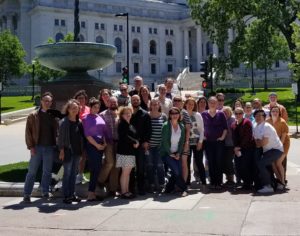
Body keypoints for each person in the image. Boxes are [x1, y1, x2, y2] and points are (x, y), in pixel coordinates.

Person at [23, 92, 58, 203]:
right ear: (41, 102)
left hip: (49, 147)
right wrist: (31, 147)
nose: (47, 103)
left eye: (49, 101)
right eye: (45, 101)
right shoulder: (33, 116)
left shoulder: (52, 115)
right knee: (32, 171)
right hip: (37, 147)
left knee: (47, 172)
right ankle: (27, 194)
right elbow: (28, 132)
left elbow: (57, 131)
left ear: (51, 103)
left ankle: (45, 191)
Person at [82, 98, 108, 201]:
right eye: (94, 107)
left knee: (97, 169)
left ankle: (92, 193)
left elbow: (103, 130)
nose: (96, 109)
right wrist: (97, 145)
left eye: (98, 107)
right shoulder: (86, 118)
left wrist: (104, 142)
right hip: (92, 146)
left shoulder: (99, 117)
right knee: (94, 169)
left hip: (101, 145)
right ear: (90, 107)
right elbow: (87, 135)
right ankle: (90, 193)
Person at [57, 99, 83, 204]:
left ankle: (72, 194)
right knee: (67, 174)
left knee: (74, 174)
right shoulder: (64, 122)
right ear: (68, 109)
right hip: (68, 151)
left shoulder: (79, 122)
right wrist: (61, 151)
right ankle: (66, 195)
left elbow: (81, 137)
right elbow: (60, 138)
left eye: (76, 108)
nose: (74, 110)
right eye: (72, 108)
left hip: (77, 152)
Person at [253, 109, 283, 193]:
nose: (258, 117)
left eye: (261, 115)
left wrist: (260, 142)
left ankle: (268, 186)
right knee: (265, 165)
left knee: (261, 164)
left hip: (276, 150)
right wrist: (260, 142)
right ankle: (277, 184)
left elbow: (263, 142)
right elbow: (257, 142)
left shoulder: (266, 126)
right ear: (254, 117)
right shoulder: (255, 126)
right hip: (267, 151)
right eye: (256, 115)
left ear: (264, 117)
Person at [160, 107, 187, 197]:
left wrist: (179, 153)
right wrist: (170, 153)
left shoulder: (182, 126)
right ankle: (184, 189)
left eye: (176, 113)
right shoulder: (166, 125)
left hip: (176, 153)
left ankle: (168, 189)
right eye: (172, 113)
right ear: (170, 115)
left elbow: (182, 142)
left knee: (177, 171)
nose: (175, 115)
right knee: (177, 172)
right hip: (167, 153)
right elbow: (164, 141)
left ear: (179, 115)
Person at [202, 96, 227, 189]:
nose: (212, 104)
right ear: (208, 104)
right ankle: (213, 182)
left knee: (219, 161)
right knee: (210, 162)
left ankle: (219, 182)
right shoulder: (203, 114)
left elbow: (225, 128)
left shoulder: (221, 114)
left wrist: (222, 137)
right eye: (211, 102)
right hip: (208, 142)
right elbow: (201, 127)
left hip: (219, 142)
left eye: (214, 102)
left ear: (217, 104)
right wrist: (203, 136)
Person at [130, 95, 152, 195]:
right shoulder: (128, 113)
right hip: (129, 144)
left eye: (137, 100)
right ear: (131, 101)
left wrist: (146, 141)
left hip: (141, 145)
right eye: (133, 100)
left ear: (140, 101)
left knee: (141, 168)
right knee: (130, 168)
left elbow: (149, 130)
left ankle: (141, 188)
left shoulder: (145, 114)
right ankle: (131, 188)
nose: (135, 101)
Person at [116, 106, 139, 199]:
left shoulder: (130, 125)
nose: (128, 114)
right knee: (125, 172)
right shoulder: (122, 124)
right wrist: (135, 142)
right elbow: (125, 136)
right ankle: (123, 192)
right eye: (126, 113)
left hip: (130, 151)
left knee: (127, 173)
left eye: (129, 113)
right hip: (124, 151)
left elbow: (135, 135)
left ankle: (126, 191)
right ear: (121, 115)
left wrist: (137, 141)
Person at [98, 97, 120, 196]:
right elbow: (99, 130)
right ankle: (100, 180)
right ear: (107, 103)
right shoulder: (102, 115)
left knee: (117, 166)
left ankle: (113, 189)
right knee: (110, 163)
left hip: (118, 142)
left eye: (114, 102)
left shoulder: (120, 113)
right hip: (107, 142)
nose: (113, 104)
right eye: (111, 102)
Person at [231, 107, 256, 190]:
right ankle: (244, 182)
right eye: (236, 113)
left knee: (246, 166)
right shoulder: (233, 124)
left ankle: (248, 184)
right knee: (238, 166)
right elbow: (233, 138)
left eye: (240, 113)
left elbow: (247, 137)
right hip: (238, 149)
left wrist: (239, 147)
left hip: (248, 148)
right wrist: (235, 148)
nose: (238, 115)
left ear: (243, 114)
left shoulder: (247, 122)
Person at [184, 98, 206, 188]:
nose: (190, 105)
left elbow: (202, 130)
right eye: (189, 104)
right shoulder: (182, 114)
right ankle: (187, 183)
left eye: (192, 104)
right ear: (185, 104)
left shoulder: (197, 115)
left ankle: (204, 182)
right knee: (187, 163)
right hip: (187, 143)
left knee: (199, 162)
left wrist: (200, 142)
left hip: (197, 142)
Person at [266, 106, 290, 189]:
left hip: (283, 144)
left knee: (278, 162)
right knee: (272, 163)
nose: (275, 113)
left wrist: (279, 148)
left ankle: (282, 182)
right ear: (270, 112)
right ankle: (279, 181)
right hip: (272, 144)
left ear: (279, 112)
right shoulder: (267, 121)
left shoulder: (282, 122)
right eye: (273, 111)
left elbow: (283, 137)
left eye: (276, 111)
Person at [146, 99, 167, 192]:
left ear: (159, 105)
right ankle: (151, 184)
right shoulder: (146, 116)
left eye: (156, 104)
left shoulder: (164, 116)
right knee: (150, 165)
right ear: (150, 106)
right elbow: (143, 130)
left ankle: (162, 184)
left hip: (160, 146)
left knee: (159, 165)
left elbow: (167, 131)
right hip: (149, 146)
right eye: (152, 104)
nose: (154, 106)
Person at [172, 95, 191, 184]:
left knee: (184, 164)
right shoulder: (171, 112)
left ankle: (183, 185)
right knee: (175, 165)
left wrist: (187, 142)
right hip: (173, 144)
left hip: (183, 143)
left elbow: (188, 128)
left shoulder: (185, 113)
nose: (176, 101)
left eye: (179, 100)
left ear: (182, 102)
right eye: (175, 100)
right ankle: (176, 184)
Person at [73, 90, 90, 184]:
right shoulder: (74, 109)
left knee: (84, 156)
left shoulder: (88, 109)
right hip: (77, 135)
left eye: (83, 98)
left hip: (87, 135)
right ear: (76, 99)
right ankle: (74, 174)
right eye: (79, 98)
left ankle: (80, 174)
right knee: (76, 156)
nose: (81, 100)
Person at [222, 106, 235, 186]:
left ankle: (231, 179)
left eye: (227, 112)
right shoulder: (222, 120)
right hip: (224, 144)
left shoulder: (232, 120)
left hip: (231, 144)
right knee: (225, 162)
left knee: (229, 162)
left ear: (230, 112)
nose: (225, 113)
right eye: (224, 112)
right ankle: (228, 179)